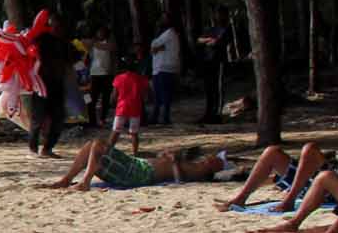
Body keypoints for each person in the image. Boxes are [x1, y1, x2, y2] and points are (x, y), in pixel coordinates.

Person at [43, 136, 231, 192]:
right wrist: (167, 156)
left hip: (139, 173)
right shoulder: (198, 165)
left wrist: (172, 162)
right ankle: (67, 179)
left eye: (215, 160)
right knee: (90, 144)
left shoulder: (199, 172)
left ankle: (84, 181)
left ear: (216, 168)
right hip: (138, 166)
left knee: (98, 144)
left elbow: (178, 177)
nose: (210, 158)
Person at [30, 17, 68, 157]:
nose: (58, 29)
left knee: (58, 118)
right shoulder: (42, 40)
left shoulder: (63, 43)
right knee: (38, 117)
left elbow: (70, 60)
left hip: (57, 84)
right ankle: (33, 145)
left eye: (60, 27)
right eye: (55, 26)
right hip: (42, 84)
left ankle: (47, 148)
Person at [109, 58, 149, 155]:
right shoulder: (141, 79)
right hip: (135, 108)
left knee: (115, 132)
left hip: (121, 108)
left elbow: (114, 95)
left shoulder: (119, 78)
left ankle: (108, 152)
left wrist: (112, 103)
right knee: (134, 133)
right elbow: (145, 96)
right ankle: (135, 153)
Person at [149, 18, 183, 125]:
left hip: (164, 68)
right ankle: (159, 117)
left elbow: (154, 46)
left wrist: (156, 48)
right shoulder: (168, 35)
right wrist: (157, 48)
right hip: (161, 68)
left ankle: (164, 117)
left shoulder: (169, 33)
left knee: (163, 94)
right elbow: (154, 48)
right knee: (160, 95)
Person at [86, 29, 116, 127]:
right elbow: (83, 42)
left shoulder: (109, 43)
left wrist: (95, 44)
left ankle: (102, 119)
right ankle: (92, 120)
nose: (100, 33)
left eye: (102, 32)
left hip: (106, 74)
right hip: (94, 74)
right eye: (99, 31)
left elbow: (110, 47)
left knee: (105, 99)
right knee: (91, 99)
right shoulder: (92, 43)